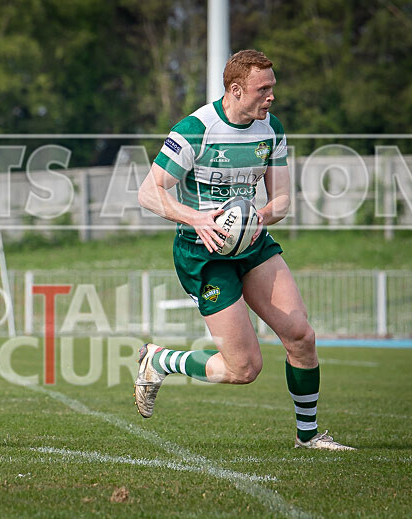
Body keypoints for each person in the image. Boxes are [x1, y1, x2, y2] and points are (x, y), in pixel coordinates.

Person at [135, 49, 353, 450]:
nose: (271, 97)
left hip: (252, 245)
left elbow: (282, 201)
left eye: (273, 87)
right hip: (203, 253)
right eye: (263, 89)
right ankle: (161, 360)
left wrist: (257, 218)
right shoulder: (195, 129)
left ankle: (308, 437)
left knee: (301, 336)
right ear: (236, 90)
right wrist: (195, 218)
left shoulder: (271, 129)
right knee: (244, 368)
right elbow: (149, 193)